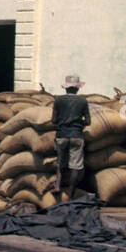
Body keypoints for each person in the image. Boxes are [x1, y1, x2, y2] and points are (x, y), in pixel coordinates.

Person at [53, 74, 91, 202]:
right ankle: (70, 194)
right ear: (78, 89)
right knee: (75, 166)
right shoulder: (83, 101)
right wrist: (80, 123)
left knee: (60, 161)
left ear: (65, 88)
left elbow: (53, 120)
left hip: (61, 135)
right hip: (76, 135)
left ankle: (57, 185)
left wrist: (62, 121)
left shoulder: (58, 100)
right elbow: (88, 121)